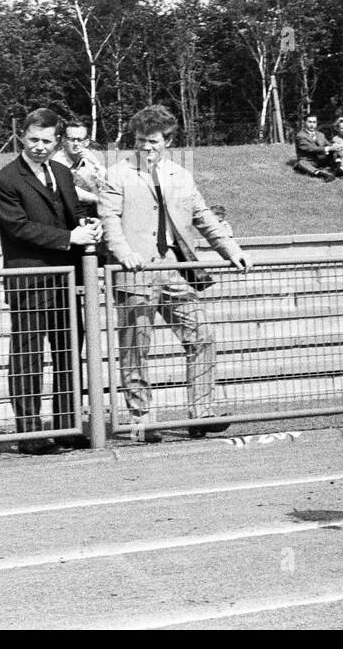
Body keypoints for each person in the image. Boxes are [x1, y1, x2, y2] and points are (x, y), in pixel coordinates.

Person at [99, 105, 253, 441]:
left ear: (167, 140)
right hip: (135, 275)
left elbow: (204, 217)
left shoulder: (180, 176)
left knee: (202, 335)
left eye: (153, 142)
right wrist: (124, 253)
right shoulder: (117, 174)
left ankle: (202, 413)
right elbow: (109, 221)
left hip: (176, 271)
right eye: (140, 141)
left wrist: (233, 250)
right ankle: (142, 420)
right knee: (135, 349)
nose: (146, 148)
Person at [0, 108, 100, 455]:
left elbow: (75, 213)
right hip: (30, 280)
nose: (40, 146)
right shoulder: (5, 179)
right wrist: (70, 237)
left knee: (70, 352)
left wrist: (89, 225)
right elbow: (18, 227)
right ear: (22, 135)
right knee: (28, 357)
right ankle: (30, 433)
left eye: (48, 141)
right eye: (34, 139)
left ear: (57, 142)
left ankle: (68, 426)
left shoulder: (63, 173)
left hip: (66, 281)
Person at [52, 119, 110, 219]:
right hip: (67, 214)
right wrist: (98, 199)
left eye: (80, 140)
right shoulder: (57, 161)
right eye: (71, 139)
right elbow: (70, 191)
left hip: (91, 209)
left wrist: (96, 163)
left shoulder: (88, 158)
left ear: (86, 142)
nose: (75, 143)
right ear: (64, 140)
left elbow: (108, 182)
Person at [293, 114, 343, 181]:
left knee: (335, 151)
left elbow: (329, 145)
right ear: (304, 123)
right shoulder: (300, 136)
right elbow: (311, 149)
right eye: (310, 122)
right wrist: (329, 148)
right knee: (301, 163)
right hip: (309, 161)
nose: (312, 125)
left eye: (314, 122)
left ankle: (337, 169)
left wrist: (337, 146)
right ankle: (323, 175)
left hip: (321, 160)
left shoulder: (320, 134)